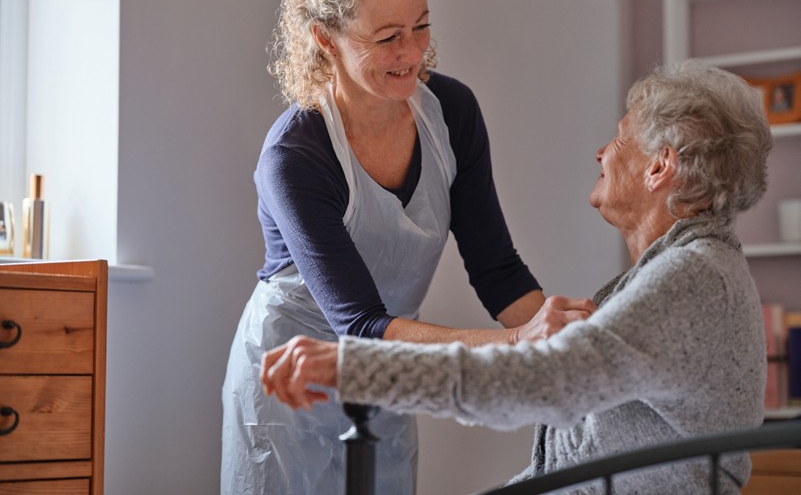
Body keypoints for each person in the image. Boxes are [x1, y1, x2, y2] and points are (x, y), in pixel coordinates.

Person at [261, 60, 774, 494]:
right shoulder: (675, 273)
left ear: (660, 167)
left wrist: (358, 367)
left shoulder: (691, 279)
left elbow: (536, 381)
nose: (602, 153)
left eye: (620, 140)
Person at [221, 0, 595, 495]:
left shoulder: (452, 113)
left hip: (389, 368)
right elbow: (361, 324)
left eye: (421, 27)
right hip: (289, 382)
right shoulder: (296, 153)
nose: (412, 53)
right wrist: (520, 345)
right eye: (388, 36)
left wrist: (569, 352)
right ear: (326, 39)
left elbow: (497, 271)